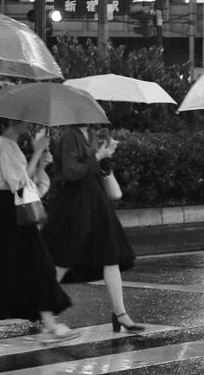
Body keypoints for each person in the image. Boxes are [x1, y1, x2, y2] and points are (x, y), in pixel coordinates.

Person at [0, 117, 73, 343]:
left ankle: (48, 323)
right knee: (2, 265)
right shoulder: (4, 145)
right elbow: (20, 184)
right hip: (7, 211)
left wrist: (40, 163)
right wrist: (38, 152)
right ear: (8, 123)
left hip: (12, 209)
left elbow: (24, 180)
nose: (28, 122)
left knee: (32, 264)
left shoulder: (9, 145)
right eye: (22, 119)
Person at [43, 122, 139, 330]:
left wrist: (106, 154)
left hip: (96, 200)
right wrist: (98, 156)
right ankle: (45, 312)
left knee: (110, 256)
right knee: (64, 257)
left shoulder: (91, 134)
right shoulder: (70, 136)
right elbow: (70, 172)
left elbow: (94, 167)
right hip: (75, 203)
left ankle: (120, 313)